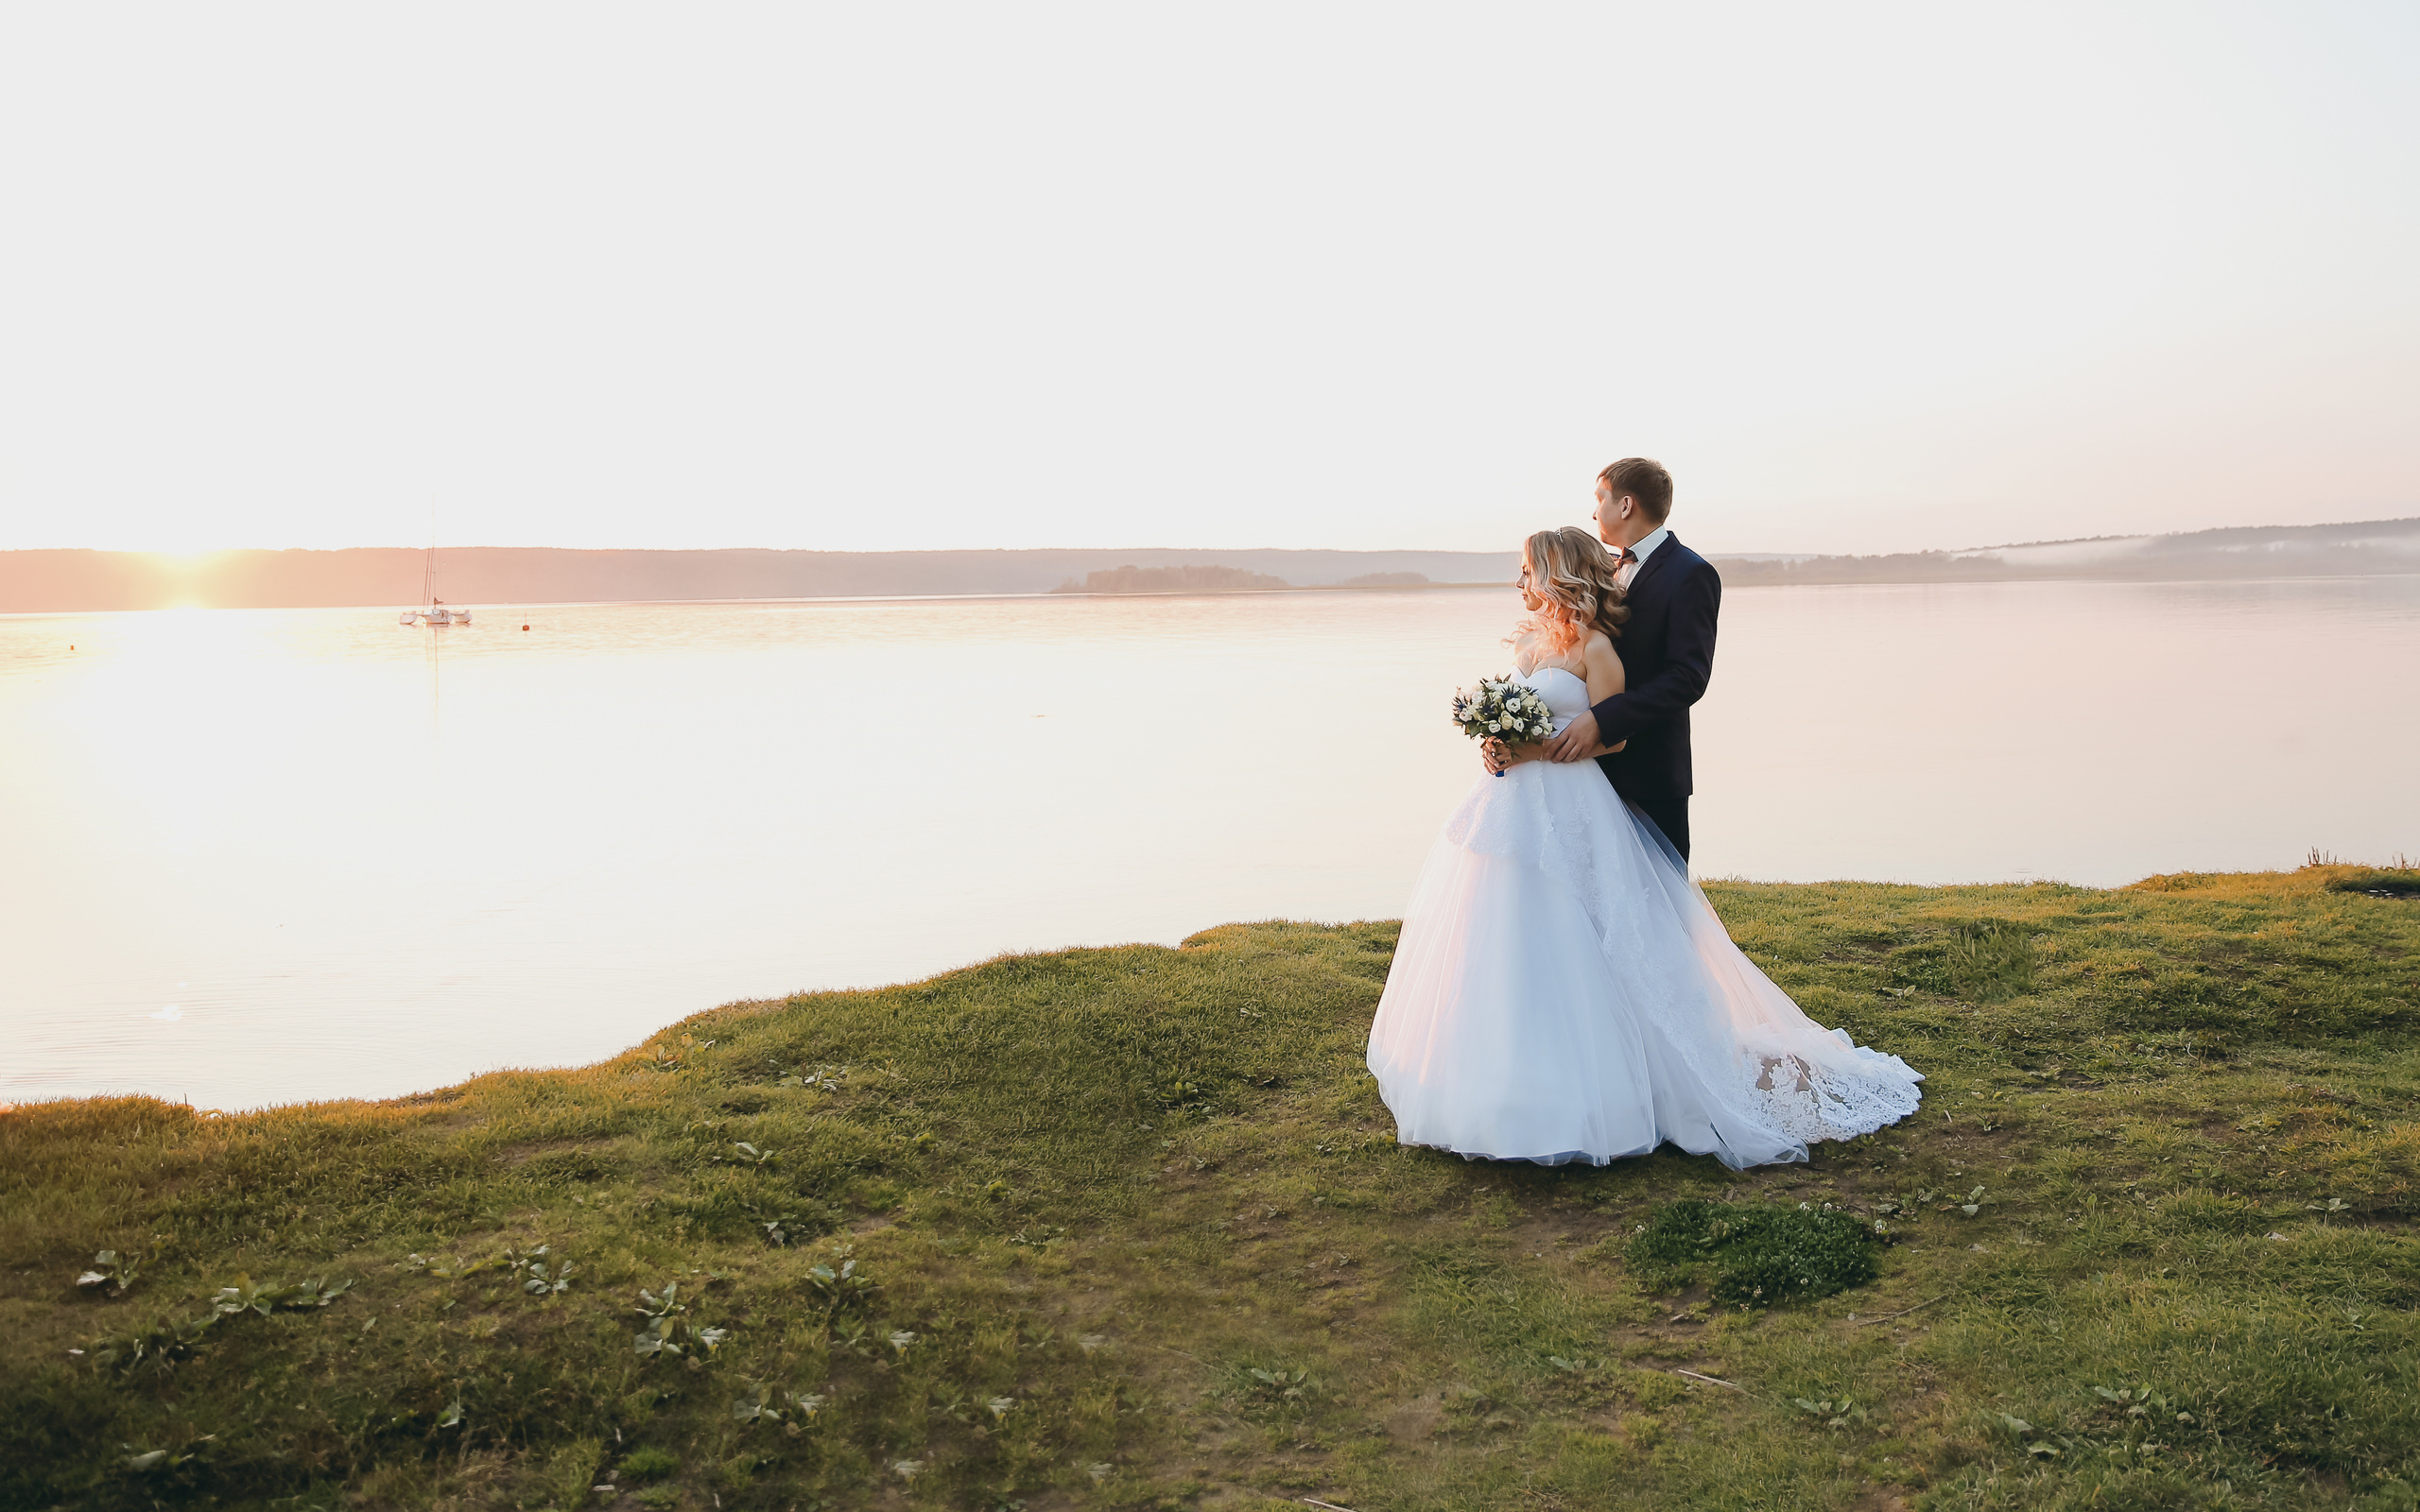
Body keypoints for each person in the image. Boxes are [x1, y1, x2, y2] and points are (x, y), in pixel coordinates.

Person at [1364, 525, 1922, 1169]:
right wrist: (1494, 743)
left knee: (1584, 929)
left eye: (1527, 570)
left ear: (1557, 573)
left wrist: (1535, 750)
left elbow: (1614, 737)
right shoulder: (1527, 643)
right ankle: (1491, 1073)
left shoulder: (1598, 649)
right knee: (1500, 929)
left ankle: (1608, 1081)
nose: (1519, 582)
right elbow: (1516, 715)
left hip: (1571, 803)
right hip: (1509, 805)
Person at [1539, 457, 1716, 861]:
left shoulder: (1690, 573)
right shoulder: (1602, 569)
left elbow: (1688, 677)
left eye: (1599, 498)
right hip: (1585, 773)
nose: (1594, 512)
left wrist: (1603, 720)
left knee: (1661, 893)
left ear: (1625, 505)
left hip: (1650, 771)